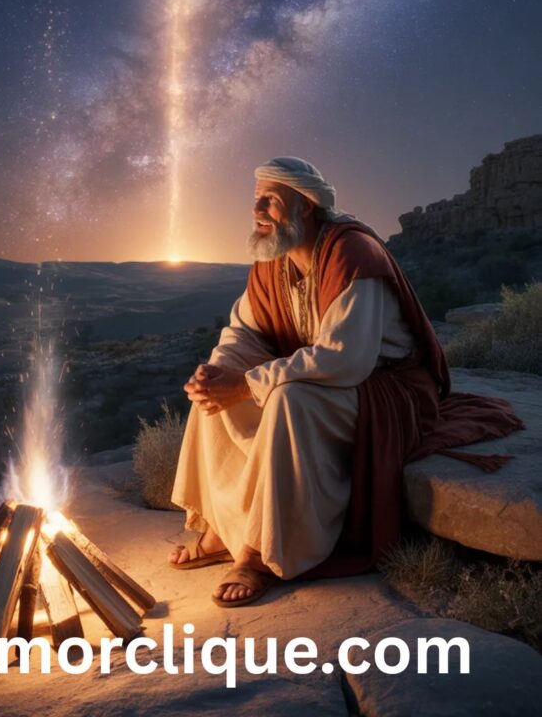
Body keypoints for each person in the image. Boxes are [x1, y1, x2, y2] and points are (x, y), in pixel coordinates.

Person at [169, 156, 524, 608]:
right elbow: (245, 332)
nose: (256, 209)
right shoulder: (274, 258)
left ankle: (259, 555)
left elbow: (345, 358)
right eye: (255, 199)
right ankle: (221, 529)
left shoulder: (352, 253)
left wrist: (247, 383)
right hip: (324, 377)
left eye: (270, 200)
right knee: (215, 391)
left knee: (288, 400)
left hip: (383, 387)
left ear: (305, 206)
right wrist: (220, 371)